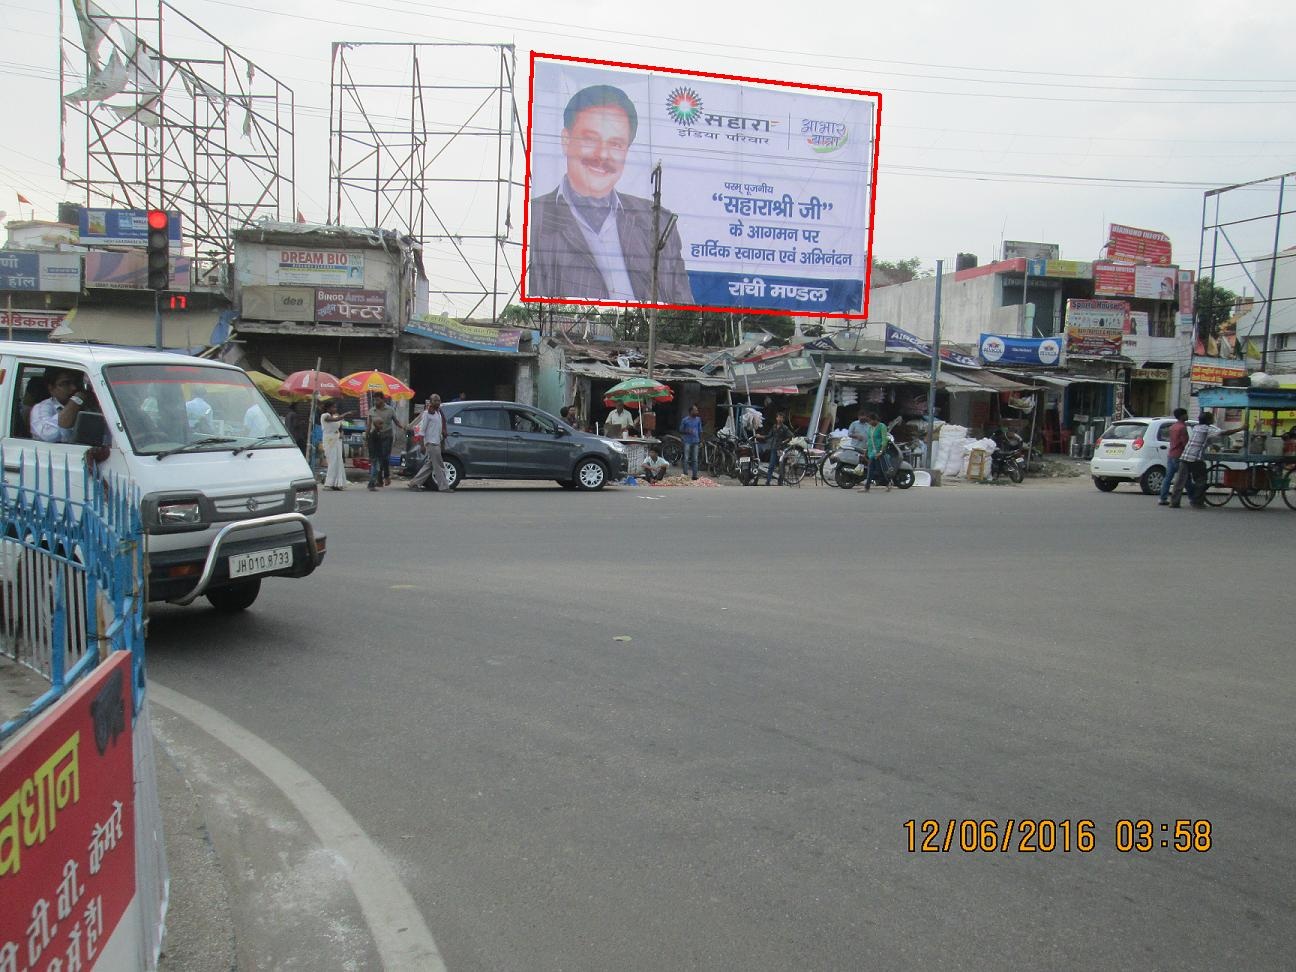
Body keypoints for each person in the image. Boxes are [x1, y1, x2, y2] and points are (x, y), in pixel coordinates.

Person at [528, 84, 694, 305]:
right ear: (565, 141)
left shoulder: (658, 224)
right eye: (590, 139)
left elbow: (683, 311)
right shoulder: (536, 218)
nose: (602, 155)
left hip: (645, 337)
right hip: (575, 335)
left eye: (615, 144)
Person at [1168, 410, 1244, 508]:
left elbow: (1203, 439)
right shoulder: (1207, 429)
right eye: (1212, 418)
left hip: (1185, 456)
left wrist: (1212, 445)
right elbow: (1224, 433)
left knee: (1179, 481)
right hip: (1195, 458)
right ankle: (1197, 501)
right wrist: (1241, 428)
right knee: (1201, 479)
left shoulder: (1196, 427)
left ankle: (1174, 502)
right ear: (1208, 420)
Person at [31, 369, 89, 443]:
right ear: (51, 388)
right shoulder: (40, 408)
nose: (73, 388)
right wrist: (76, 400)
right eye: (66, 383)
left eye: (75, 383)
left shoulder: (86, 406)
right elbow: (49, 435)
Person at [408, 395, 450, 492]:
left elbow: (439, 429)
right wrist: (422, 445)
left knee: (430, 465)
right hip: (431, 443)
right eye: (435, 400)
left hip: (437, 442)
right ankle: (444, 487)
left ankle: (414, 483)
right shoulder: (427, 414)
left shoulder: (438, 413)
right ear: (430, 402)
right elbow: (422, 431)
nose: (438, 402)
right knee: (439, 465)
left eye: (439, 400)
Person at [366, 392, 407, 491]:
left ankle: (386, 476)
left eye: (378, 400)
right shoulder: (372, 411)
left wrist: (403, 427)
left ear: (383, 399)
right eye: (375, 400)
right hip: (375, 437)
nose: (376, 402)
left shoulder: (390, 410)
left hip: (387, 436)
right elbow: (368, 425)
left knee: (384, 457)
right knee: (377, 459)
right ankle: (379, 480)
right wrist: (366, 437)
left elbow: (396, 421)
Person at [1158, 408, 1190, 506]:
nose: (1187, 416)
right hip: (1179, 455)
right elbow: (1185, 443)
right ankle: (1193, 497)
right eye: (1185, 414)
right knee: (1185, 478)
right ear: (1182, 416)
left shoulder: (1173, 427)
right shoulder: (1182, 428)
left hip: (1171, 454)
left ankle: (1162, 498)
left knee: (1168, 477)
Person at [319, 400, 352, 490]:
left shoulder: (335, 416)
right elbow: (335, 420)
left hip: (337, 440)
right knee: (332, 461)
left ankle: (337, 483)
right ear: (328, 408)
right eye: (333, 407)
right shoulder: (325, 416)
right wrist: (346, 414)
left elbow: (339, 425)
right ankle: (328, 484)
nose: (335, 409)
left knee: (338, 461)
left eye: (335, 407)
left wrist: (341, 432)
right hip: (329, 440)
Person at [759, 411, 792, 485]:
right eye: (778, 417)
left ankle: (780, 481)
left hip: (781, 449)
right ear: (776, 418)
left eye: (781, 417)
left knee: (781, 466)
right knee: (771, 465)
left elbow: (791, 436)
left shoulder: (785, 428)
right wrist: (760, 436)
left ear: (783, 419)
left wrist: (784, 441)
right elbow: (769, 436)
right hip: (774, 448)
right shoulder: (774, 426)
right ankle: (768, 481)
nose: (779, 419)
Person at [679, 404, 703, 480]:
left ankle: (694, 475)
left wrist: (701, 440)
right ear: (691, 411)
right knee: (686, 458)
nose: (697, 411)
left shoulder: (698, 419)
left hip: (696, 441)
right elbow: (681, 430)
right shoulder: (685, 420)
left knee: (695, 459)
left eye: (697, 410)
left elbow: (700, 430)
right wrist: (687, 431)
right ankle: (685, 474)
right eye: (695, 410)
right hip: (687, 441)